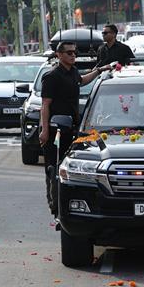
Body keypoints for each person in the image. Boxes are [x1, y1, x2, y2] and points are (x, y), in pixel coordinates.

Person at [39, 41, 113, 215]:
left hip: (72, 128)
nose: (73, 56)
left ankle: (66, 201)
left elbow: (82, 80)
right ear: (59, 55)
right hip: (55, 129)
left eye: (75, 53)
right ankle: (54, 204)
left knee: (69, 167)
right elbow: (45, 105)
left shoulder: (72, 72)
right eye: (69, 53)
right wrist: (44, 130)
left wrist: (100, 70)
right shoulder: (52, 76)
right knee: (53, 168)